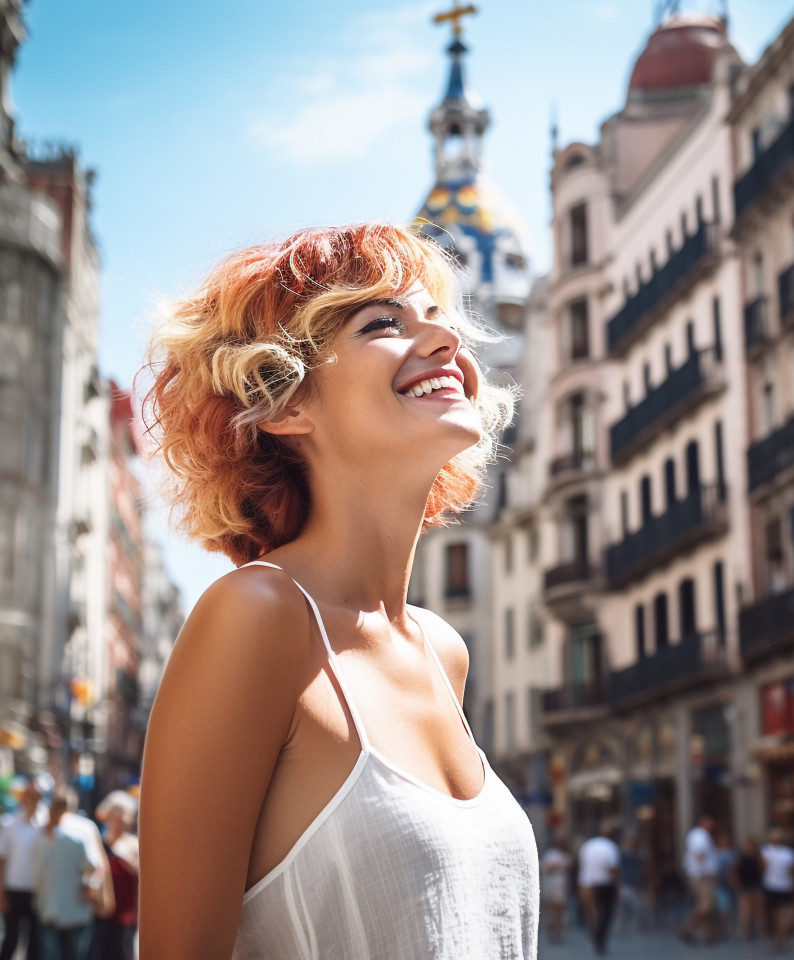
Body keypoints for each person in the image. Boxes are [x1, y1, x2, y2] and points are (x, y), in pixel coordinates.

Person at [138, 223, 538, 959]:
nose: (445, 340)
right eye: (383, 322)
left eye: (441, 318)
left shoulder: (443, 651)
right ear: (284, 402)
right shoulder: (258, 617)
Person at [33, 789, 99, 960]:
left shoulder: (44, 833)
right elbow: (94, 866)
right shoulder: (82, 829)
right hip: (71, 907)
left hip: (53, 906)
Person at [92, 791, 140, 960]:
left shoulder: (133, 845)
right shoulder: (100, 841)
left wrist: (125, 857)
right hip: (101, 913)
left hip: (126, 917)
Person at [0, 778, 44, 960]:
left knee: (35, 940)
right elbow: (2, 860)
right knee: (11, 937)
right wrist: (1, 892)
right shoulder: (9, 824)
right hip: (14, 887)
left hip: (38, 889)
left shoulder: (45, 825)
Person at [577, 822, 620, 956]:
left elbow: (581, 864)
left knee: (592, 913)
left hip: (586, 883)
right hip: (604, 883)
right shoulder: (610, 847)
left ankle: (594, 933)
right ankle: (599, 936)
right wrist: (617, 885)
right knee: (606, 913)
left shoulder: (587, 846)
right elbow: (613, 869)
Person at [679, 814, 718, 945]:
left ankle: (709, 934)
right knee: (706, 905)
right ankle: (687, 929)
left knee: (707, 904)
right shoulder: (700, 836)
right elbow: (700, 855)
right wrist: (703, 873)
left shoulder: (700, 835)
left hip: (701, 874)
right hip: (702, 876)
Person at [761, 827, 794, 953]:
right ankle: (777, 936)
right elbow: (763, 867)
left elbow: (792, 870)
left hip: (784, 886)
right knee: (774, 913)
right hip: (771, 886)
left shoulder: (788, 853)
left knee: (784, 913)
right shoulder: (766, 851)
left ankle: (781, 936)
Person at [541, 835, 572, 944]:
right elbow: (548, 868)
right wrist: (562, 865)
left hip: (561, 887)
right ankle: (552, 931)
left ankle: (558, 931)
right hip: (552, 886)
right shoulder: (551, 854)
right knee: (553, 910)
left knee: (560, 911)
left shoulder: (565, 855)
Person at [734, 837, 763, 941]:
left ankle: (758, 929)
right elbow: (735, 871)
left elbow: (762, 870)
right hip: (745, 887)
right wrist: (737, 884)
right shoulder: (741, 858)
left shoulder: (758, 857)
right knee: (745, 911)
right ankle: (745, 931)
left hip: (756, 886)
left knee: (757, 910)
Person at [713, 829, 737, 936]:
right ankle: (721, 928)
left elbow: (734, 868)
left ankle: (725, 928)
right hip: (719, 883)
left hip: (729, 884)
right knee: (721, 907)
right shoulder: (714, 852)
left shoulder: (732, 853)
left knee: (728, 906)